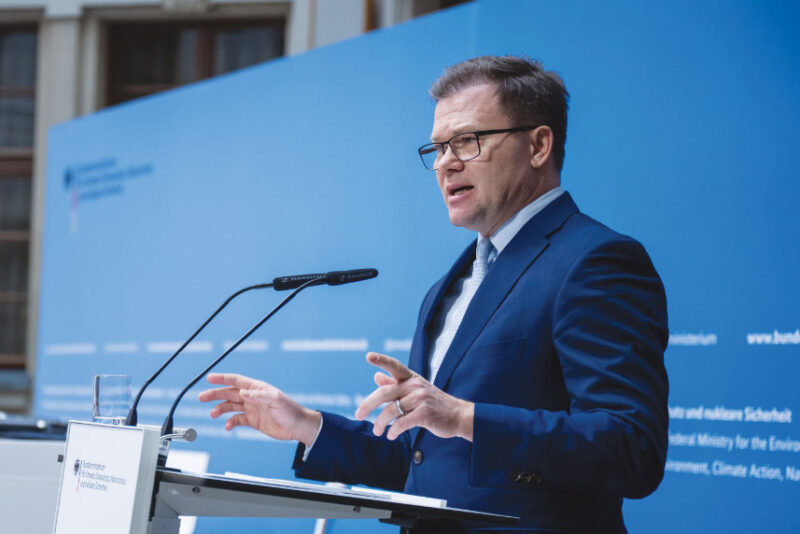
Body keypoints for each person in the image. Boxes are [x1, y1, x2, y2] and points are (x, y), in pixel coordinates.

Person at [199, 56, 669, 533]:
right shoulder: (452, 283)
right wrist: (306, 425)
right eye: (439, 147)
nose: (446, 162)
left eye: (467, 141)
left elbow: (632, 448)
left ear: (538, 145)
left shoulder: (594, 261)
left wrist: (465, 417)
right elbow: (421, 455)